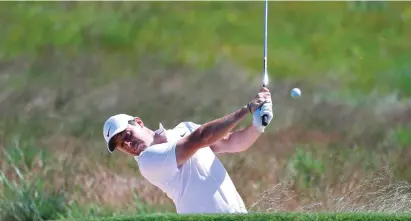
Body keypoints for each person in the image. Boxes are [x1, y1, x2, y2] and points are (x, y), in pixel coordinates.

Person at [102, 87, 274, 214]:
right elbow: (201, 138)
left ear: (138, 122)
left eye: (126, 135)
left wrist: (258, 125)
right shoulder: (149, 161)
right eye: (121, 145)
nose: (128, 144)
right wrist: (246, 109)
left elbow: (232, 142)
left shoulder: (185, 128)